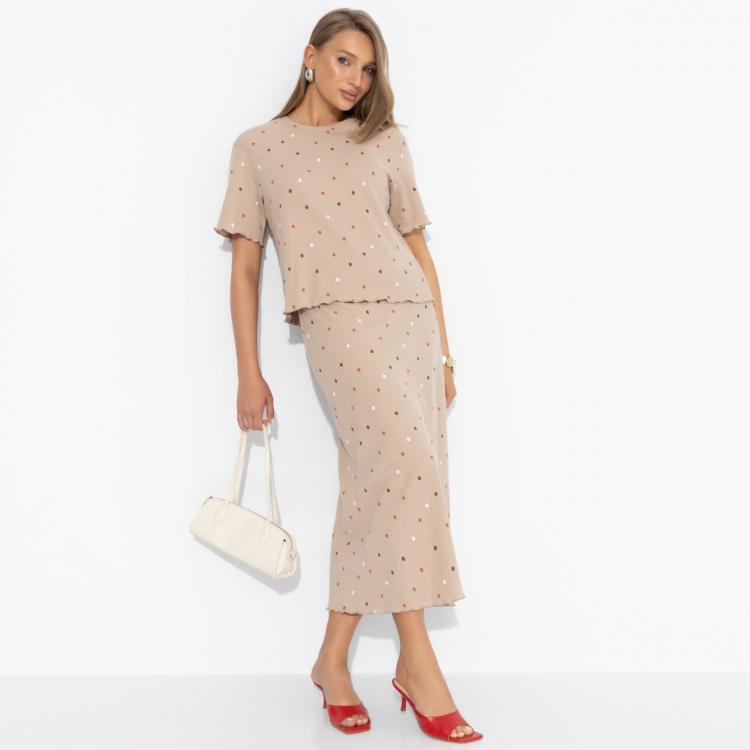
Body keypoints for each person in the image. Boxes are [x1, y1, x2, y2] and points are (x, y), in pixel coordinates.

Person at [213, 8, 482, 744]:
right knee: (404, 471)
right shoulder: (258, 147)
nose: (356, 79)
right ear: (310, 57)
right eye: (343, 61)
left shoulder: (384, 141)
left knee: (380, 484)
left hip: (410, 318)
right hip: (336, 323)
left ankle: (333, 661)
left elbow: (418, 249)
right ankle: (417, 663)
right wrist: (248, 372)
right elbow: (245, 269)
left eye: (367, 69)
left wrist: (445, 352)